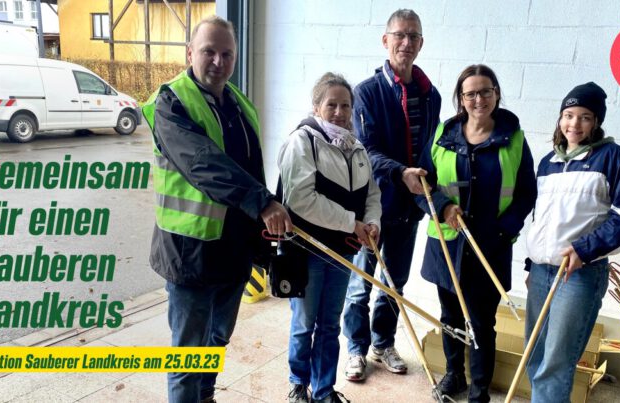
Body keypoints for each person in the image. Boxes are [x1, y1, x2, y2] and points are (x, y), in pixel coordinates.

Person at [141, 16, 292, 403]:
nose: (218, 61)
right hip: (190, 254)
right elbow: (201, 163)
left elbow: (253, 168)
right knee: (188, 356)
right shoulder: (170, 102)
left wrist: (262, 239)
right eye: (209, 51)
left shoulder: (239, 104)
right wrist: (262, 202)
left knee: (216, 342)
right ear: (190, 53)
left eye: (227, 54)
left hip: (233, 252)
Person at [416, 64, 536, 402]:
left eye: (485, 91)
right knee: (451, 316)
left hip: (490, 246)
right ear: (461, 98)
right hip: (448, 244)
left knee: (482, 322)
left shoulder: (513, 138)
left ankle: (479, 390)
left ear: (496, 93)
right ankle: (454, 375)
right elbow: (421, 184)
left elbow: (526, 192)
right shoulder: (444, 135)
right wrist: (443, 206)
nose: (478, 99)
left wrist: (504, 231)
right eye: (471, 93)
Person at [524, 82, 620, 403]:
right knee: (533, 355)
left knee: (556, 362)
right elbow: (541, 219)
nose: (574, 124)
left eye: (584, 117)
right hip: (540, 272)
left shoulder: (611, 156)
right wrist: (530, 263)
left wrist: (583, 249)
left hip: (578, 274)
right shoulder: (548, 161)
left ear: (596, 122)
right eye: (568, 115)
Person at [341, 8, 441, 382]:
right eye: (399, 35)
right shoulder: (365, 92)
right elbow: (363, 148)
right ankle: (355, 350)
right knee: (360, 285)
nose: (406, 42)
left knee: (395, 285)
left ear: (421, 43)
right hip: (372, 206)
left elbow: (429, 151)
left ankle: (382, 344)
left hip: (410, 207)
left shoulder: (431, 96)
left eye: (413, 36)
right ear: (386, 40)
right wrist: (400, 172)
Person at [278, 72, 381, 403]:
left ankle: (323, 391)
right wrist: (352, 224)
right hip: (307, 252)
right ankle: (298, 385)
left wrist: (372, 223)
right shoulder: (303, 141)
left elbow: (372, 194)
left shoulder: (357, 147)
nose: (339, 111)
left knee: (328, 326)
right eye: (331, 104)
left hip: (342, 254)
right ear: (316, 106)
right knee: (304, 324)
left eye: (345, 105)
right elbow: (300, 200)